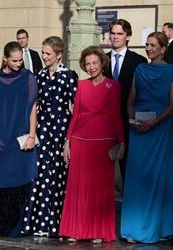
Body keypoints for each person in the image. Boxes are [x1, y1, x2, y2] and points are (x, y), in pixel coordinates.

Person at [59, 46, 125, 243]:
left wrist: (122, 142)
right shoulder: (81, 85)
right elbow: (76, 115)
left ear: (102, 63)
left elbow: (116, 116)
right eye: (88, 64)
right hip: (80, 142)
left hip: (103, 144)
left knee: (100, 189)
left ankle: (98, 231)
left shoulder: (113, 86)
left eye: (95, 63)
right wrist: (67, 142)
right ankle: (75, 230)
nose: (91, 67)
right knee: (77, 188)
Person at [0, 41, 38, 237]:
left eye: (21, 60)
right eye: (14, 60)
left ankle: (14, 226)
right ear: (5, 58)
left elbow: (32, 108)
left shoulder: (28, 77)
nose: (18, 63)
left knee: (18, 182)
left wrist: (31, 135)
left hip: (19, 137)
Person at [121, 31, 173, 244]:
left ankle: (160, 228)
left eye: (153, 45)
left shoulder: (172, 70)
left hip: (159, 130)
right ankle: (133, 229)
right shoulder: (140, 69)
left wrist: (152, 123)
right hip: (139, 131)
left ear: (163, 48)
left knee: (158, 179)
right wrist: (132, 120)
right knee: (137, 179)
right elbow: (130, 100)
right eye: (147, 44)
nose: (149, 48)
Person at [22, 36, 78, 237]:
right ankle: (41, 224)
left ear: (58, 55)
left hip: (62, 133)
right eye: (43, 53)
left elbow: (77, 108)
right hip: (43, 131)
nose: (44, 57)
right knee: (41, 175)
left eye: (48, 54)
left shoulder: (69, 75)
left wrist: (70, 138)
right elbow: (33, 106)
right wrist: (32, 133)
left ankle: (59, 224)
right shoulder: (38, 75)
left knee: (59, 175)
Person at [105, 19, 148, 185]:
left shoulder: (139, 61)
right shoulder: (102, 60)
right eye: (113, 33)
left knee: (128, 165)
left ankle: (128, 203)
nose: (115, 37)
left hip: (128, 121)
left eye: (119, 34)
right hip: (106, 121)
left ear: (128, 36)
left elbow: (143, 94)